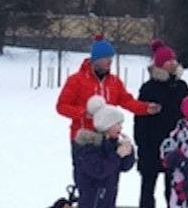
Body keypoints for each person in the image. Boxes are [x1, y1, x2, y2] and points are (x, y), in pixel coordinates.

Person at [56, 34, 158, 195]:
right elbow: (61, 107)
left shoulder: (114, 82)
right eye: (106, 58)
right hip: (84, 138)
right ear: (95, 59)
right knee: (85, 178)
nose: (110, 62)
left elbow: (127, 101)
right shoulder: (76, 80)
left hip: (107, 138)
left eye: (111, 58)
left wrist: (145, 108)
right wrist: (84, 114)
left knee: (108, 177)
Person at [134, 39, 188, 208]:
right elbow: (140, 118)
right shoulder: (148, 88)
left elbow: (187, 114)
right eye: (168, 61)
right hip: (150, 145)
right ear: (160, 64)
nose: (173, 63)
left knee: (173, 190)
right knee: (148, 188)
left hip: (175, 147)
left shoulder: (181, 86)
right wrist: (142, 145)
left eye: (174, 60)